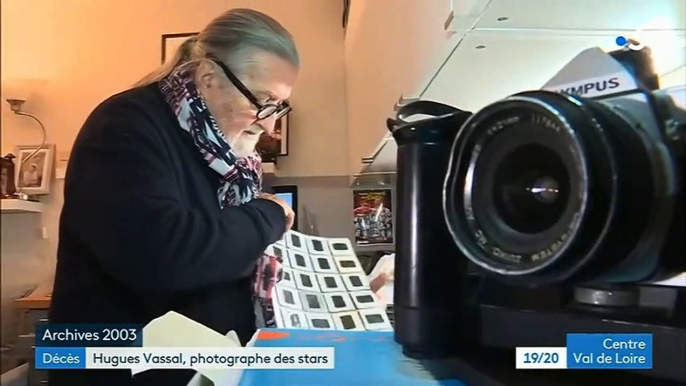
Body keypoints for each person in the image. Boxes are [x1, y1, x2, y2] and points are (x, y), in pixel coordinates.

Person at [49, 8, 299, 386]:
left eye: (279, 106)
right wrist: (269, 214)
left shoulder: (229, 158)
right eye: (262, 102)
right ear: (210, 78)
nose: (270, 124)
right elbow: (165, 255)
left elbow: (223, 257)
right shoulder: (124, 123)